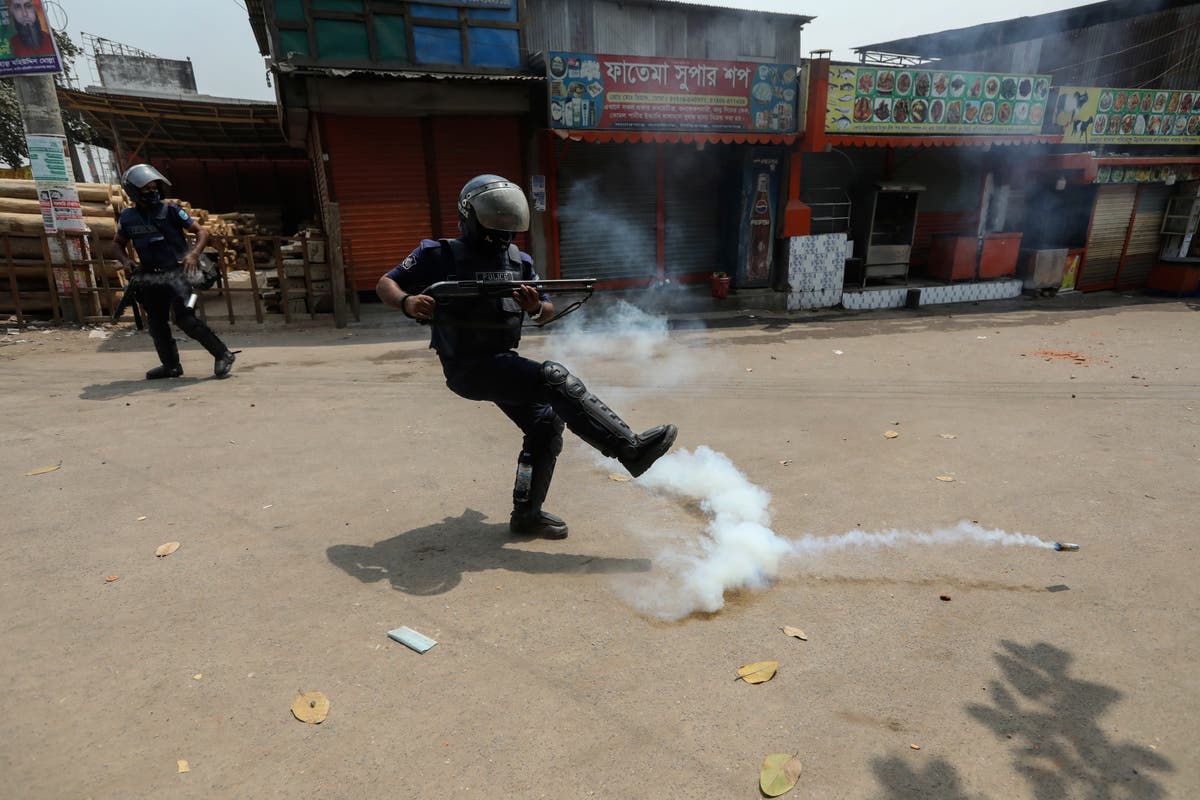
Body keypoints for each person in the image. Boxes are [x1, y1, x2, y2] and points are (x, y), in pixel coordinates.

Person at [377, 174, 677, 539]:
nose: (502, 231)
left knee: (545, 423)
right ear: (469, 215)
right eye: (494, 220)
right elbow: (386, 283)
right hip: (467, 366)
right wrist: (407, 302)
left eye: (508, 222)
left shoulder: (518, 261)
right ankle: (628, 450)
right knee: (553, 377)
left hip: (501, 360)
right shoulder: (437, 254)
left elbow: (546, 309)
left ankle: (526, 515)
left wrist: (536, 307)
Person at [112, 164, 236, 379]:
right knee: (157, 324)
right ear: (133, 191)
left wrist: (194, 254)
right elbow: (117, 244)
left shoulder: (171, 209)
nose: (152, 191)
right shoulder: (127, 217)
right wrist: (125, 261)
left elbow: (201, 232)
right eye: (146, 188)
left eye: (154, 187)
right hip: (151, 277)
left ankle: (223, 354)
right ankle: (171, 366)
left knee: (185, 318)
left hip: (180, 276)